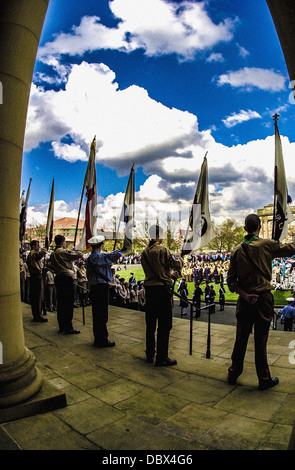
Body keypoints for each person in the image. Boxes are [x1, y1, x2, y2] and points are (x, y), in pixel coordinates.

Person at [227, 213, 295, 390]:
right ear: (259, 227)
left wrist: (245, 295)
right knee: (260, 341)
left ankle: (234, 372)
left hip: (245, 298)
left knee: (240, 338)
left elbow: (231, 283)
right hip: (263, 298)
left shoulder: (236, 250)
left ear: (245, 228)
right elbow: (291, 248)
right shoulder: (267, 245)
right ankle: (263, 379)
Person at [141, 224, 183, 366]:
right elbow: (176, 264)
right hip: (162, 291)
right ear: (160, 234)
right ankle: (162, 356)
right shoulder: (163, 249)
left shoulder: (145, 252)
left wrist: (166, 274)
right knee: (165, 325)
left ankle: (149, 353)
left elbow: (156, 271)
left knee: (150, 324)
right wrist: (180, 257)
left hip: (150, 290)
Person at [85, 235, 122, 348]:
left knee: (96, 314)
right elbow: (117, 254)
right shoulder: (99, 257)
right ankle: (103, 339)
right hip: (101, 287)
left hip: (94, 287)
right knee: (102, 314)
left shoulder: (88, 259)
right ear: (101, 246)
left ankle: (98, 339)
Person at [50, 235, 83, 334]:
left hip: (58, 278)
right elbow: (80, 254)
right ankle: (68, 326)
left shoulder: (53, 253)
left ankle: (62, 326)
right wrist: (75, 249)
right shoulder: (63, 252)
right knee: (68, 304)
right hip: (66, 278)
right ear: (62, 242)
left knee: (61, 304)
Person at [26, 240, 48, 322]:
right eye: (37, 245)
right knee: (38, 296)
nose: (38, 247)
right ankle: (38, 315)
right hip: (36, 276)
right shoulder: (33, 254)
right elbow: (40, 254)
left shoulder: (31, 254)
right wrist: (44, 248)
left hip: (34, 276)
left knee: (36, 296)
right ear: (33, 246)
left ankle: (37, 314)